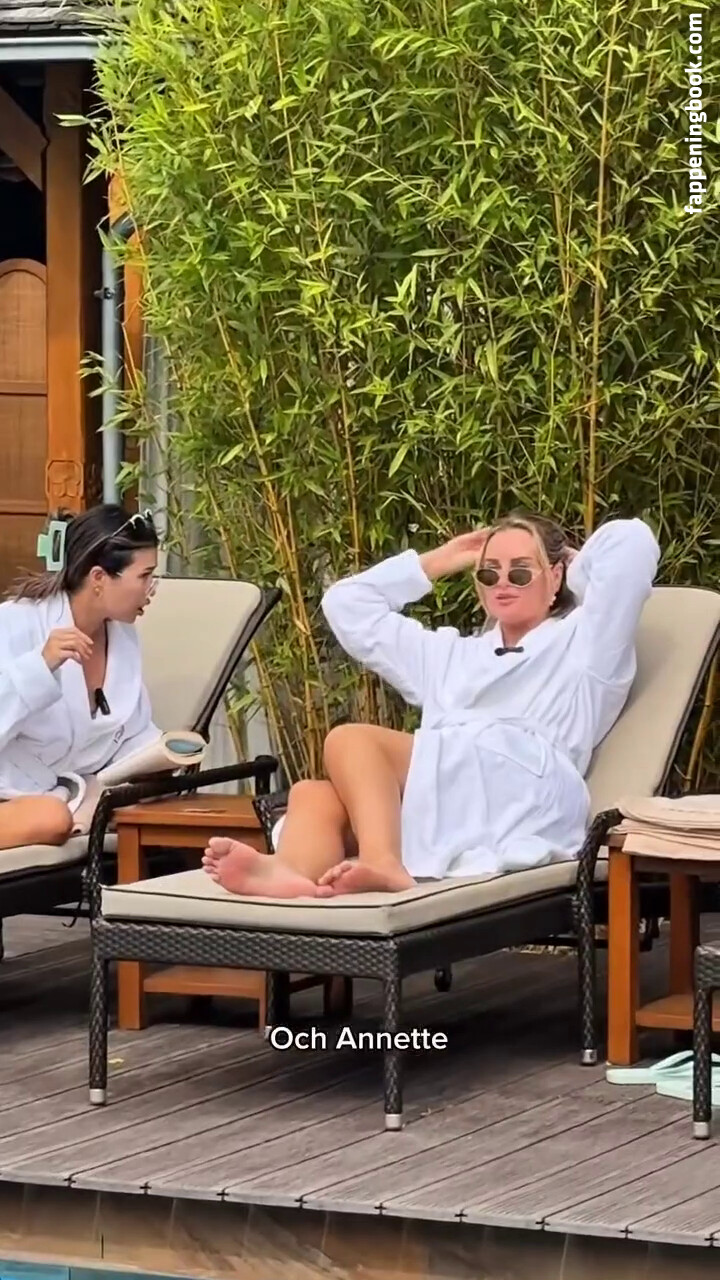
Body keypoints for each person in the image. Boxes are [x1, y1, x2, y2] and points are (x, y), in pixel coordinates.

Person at [203, 513, 660, 897]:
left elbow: (632, 545)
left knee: (349, 740)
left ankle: (383, 861)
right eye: (489, 573)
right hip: (454, 794)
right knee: (312, 795)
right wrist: (437, 560)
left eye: (521, 572)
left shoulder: (584, 646)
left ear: (554, 577)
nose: (503, 583)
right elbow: (346, 605)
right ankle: (293, 876)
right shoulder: (451, 655)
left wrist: (572, 568)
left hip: (525, 790)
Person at [0, 504, 160, 851]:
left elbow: (130, 733)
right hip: (11, 789)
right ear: (99, 578)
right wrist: (41, 665)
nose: (152, 589)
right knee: (51, 818)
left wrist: (163, 756)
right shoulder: (14, 623)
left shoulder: (122, 637)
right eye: (145, 576)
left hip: (62, 792)